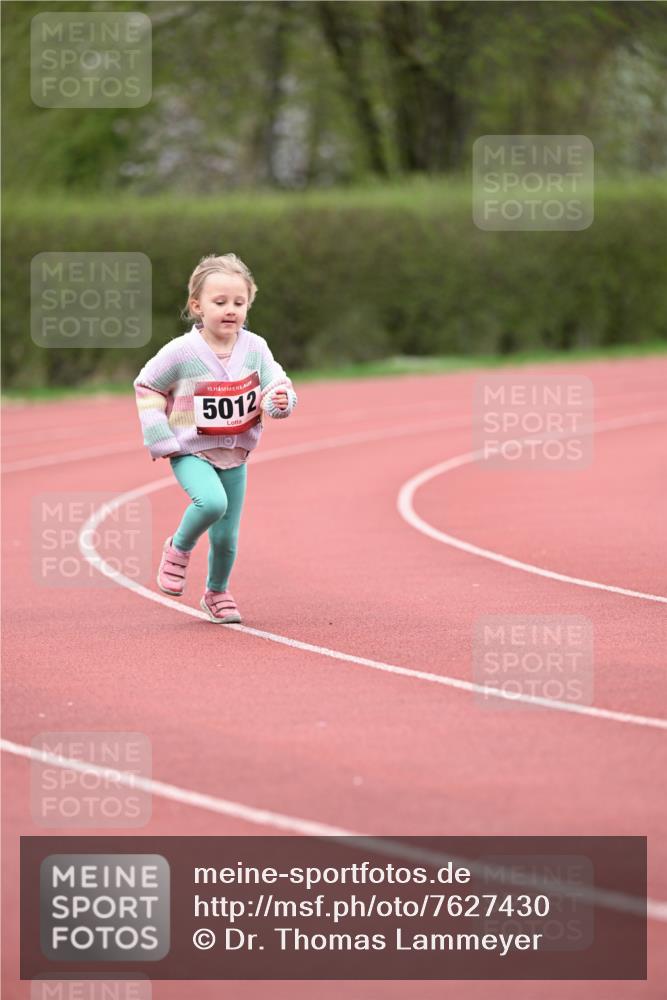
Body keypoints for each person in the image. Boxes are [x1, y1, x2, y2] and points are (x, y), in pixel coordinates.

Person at [133, 253, 297, 624]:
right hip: (191, 451)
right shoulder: (181, 352)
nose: (230, 310)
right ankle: (178, 548)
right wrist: (160, 438)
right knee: (211, 503)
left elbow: (277, 383)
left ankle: (216, 592)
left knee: (226, 538)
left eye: (239, 302)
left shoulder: (255, 348)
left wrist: (280, 401)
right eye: (220, 302)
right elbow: (147, 385)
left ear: (248, 305)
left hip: (236, 455)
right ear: (197, 306)